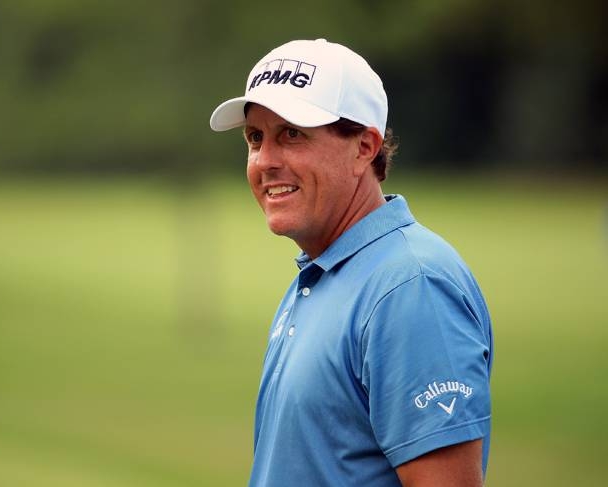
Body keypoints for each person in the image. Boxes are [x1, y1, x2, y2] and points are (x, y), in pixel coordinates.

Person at [209, 39, 493, 486]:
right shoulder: (324, 272)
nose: (265, 161)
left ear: (364, 146)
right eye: (255, 138)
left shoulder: (409, 286)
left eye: (292, 134)